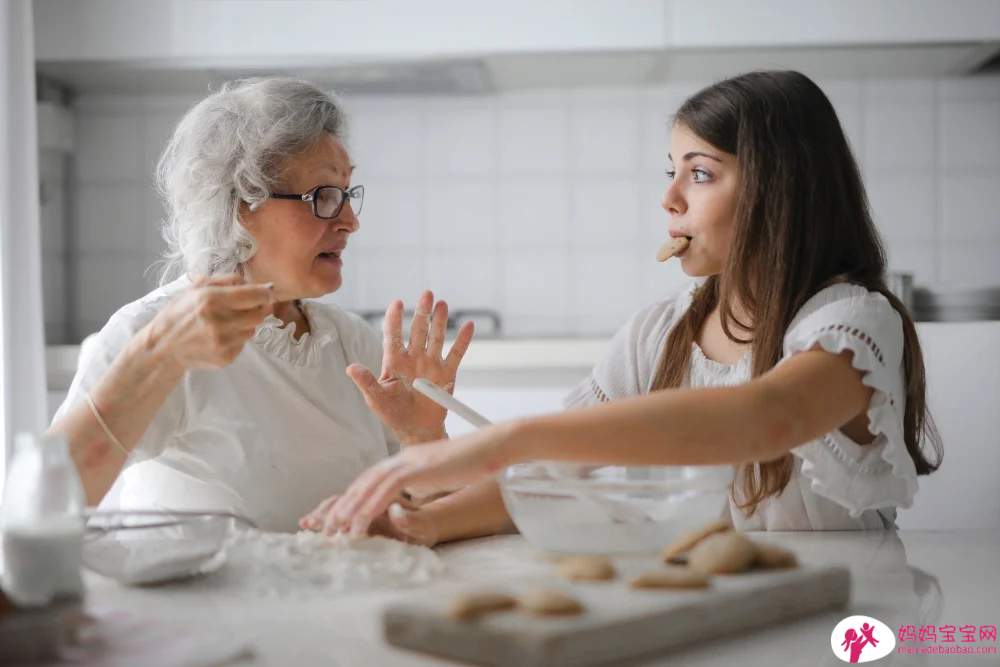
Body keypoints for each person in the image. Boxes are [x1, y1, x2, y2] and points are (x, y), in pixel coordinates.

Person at [304, 70, 943, 540]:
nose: (668, 198)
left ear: (781, 190)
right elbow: (556, 474)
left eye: (699, 172)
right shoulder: (659, 332)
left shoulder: (852, 322)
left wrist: (511, 436)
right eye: (670, 170)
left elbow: (767, 418)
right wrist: (424, 523)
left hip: (846, 619)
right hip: (716, 615)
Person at [47, 77, 473, 532]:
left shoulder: (351, 342)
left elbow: (422, 520)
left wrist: (423, 439)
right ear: (238, 205)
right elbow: (48, 500)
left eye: (347, 194)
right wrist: (157, 357)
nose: (351, 221)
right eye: (323, 197)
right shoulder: (152, 331)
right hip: (206, 604)